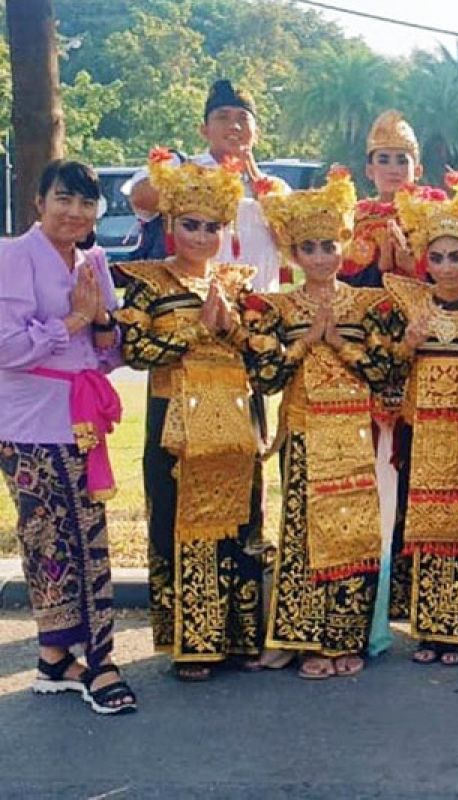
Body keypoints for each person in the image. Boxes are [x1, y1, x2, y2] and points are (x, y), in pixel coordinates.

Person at [115, 150, 263, 681]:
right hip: (173, 419)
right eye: (190, 225)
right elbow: (135, 350)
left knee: (239, 525)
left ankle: (241, 636)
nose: (201, 236)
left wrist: (232, 330)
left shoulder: (238, 282)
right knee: (183, 525)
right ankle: (192, 643)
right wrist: (199, 331)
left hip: (233, 419)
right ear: (171, 224)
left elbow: (256, 350)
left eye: (212, 227)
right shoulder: (147, 281)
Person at [247, 167, 397, 679]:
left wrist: (342, 345)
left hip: (355, 431)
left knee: (353, 533)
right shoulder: (278, 307)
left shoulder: (367, 304)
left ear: (345, 244)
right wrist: (307, 340)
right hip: (305, 430)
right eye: (309, 248)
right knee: (303, 533)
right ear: (293, 253)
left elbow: (384, 370)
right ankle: (307, 637)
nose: (320, 257)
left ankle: (345, 636)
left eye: (329, 245)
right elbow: (265, 376)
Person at [0, 160, 135, 715]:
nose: (75, 213)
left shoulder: (93, 261)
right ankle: (98, 661)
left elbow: (108, 354)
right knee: (52, 539)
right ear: (38, 202)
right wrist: (76, 321)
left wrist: (102, 326)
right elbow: (7, 348)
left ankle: (57, 657)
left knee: (86, 536)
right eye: (64, 199)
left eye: (86, 203)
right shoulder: (12, 257)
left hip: (81, 415)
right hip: (30, 420)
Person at [383, 172, 458, 666]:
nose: (446, 266)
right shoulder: (408, 305)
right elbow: (382, 369)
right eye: (437, 257)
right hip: (421, 433)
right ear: (423, 259)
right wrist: (406, 345)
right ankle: (431, 629)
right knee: (425, 527)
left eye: (455, 256)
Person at [127, 79, 290, 292]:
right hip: (192, 306)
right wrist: (206, 179)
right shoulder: (181, 167)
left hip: (259, 309)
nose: (234, 126)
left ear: (256, 133)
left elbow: (292, 241)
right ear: (204, 130)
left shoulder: (278, 188)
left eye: (243, 118)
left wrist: (255, 178)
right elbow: (140, 197)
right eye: (223, 117)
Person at [340, 110, 421, 287]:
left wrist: (412, 267)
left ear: (417, 171)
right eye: (384, 160)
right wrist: (381, 265)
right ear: (369, 170)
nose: (393, 169)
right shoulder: (353, 218)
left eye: (402, 161)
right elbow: (341, 280)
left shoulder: (430, 215)